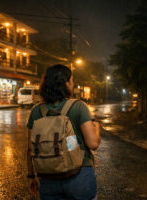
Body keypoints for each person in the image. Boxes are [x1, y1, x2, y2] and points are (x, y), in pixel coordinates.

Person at [27, 64, 101, 200]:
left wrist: (31, 176)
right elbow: (93, 144)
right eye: (71, 81)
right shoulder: (78, 107)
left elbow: (30, 148)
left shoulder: (36, 111)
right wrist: (97, 128)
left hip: (48, 178)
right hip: (79, 176)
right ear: (65, 84)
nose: (72, 84)